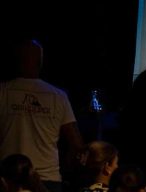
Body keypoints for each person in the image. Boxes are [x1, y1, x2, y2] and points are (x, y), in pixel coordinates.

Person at [0, 39, 84, 192]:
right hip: (47, 179)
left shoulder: (3, 92)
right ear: (40, 62)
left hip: (9, 179)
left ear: (16, 60)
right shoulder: (58, 96)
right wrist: (64, 170)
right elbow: (76, 144)